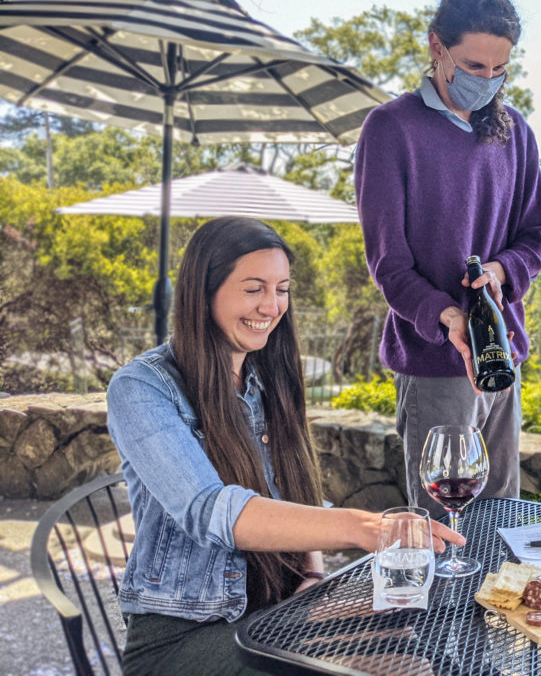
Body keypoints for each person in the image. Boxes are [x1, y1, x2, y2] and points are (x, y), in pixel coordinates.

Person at [105, 217, 463, 675]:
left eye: (282, 289)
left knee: (423, 629)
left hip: (275, 613)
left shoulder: (265, 374)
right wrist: (361, 527)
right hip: (182, 638)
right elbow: (211, 508)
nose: (271, 306)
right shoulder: (142, 387)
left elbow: (294, 492)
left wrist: (312, 575)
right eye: (253, 288)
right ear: (204, 291)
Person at [354, 0, 541, 518]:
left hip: (503, 357)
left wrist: (500, 270)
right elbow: (388, 265)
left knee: (501, 518)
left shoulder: (516, 134)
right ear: (436, 47)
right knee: (444, 529)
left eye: (499, 70)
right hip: (436, 363)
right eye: (473, 67)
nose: (487, 81)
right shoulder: (391, 129)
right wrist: (449, 318)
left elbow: (537, 235)